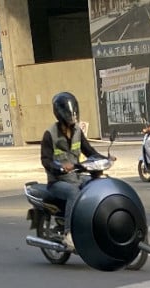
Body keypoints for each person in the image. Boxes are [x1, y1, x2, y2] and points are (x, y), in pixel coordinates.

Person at [40, 91, 99, 228]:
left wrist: (104, 159)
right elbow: (46, 160)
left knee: (95, 184)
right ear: (60, 113)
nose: (72, 116)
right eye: (68, 113)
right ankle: (69, 232)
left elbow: (89, 151)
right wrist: (60, 167)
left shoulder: (77, 131)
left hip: (76, 177)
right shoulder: (50, 134)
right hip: (57, 181)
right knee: (74, 192)